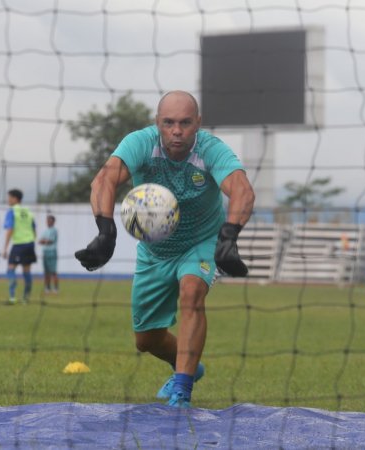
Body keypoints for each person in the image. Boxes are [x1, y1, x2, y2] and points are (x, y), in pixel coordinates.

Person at [75, 91, 255, 408]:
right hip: (155, 251)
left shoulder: (211, 150)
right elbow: (104, 179)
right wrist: (105, 232)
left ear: (197, 123)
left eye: (185, 123)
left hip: (200, 242)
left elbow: (241, 189)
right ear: (158, 122)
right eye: (169, 123)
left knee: (191, 293)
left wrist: (229, 236)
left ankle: (182, 390)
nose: (176, 130)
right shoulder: (141, 143)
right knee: (147, 339)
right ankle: (187, 365)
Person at [2, 189, 37, 304]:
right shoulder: (28, 211)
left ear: (15, 199)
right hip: (30, 244)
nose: (8, 200)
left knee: (11, 268)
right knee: (26, 271)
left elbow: (10, 229)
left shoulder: (12, 211)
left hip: (18, 244)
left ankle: (12, 298)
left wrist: (5, 248)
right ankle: (26, 299)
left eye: (10, 197)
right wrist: (32, 242)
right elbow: (34, 229)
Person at [39, 214, 59, 294]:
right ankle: (47, 288)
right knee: (46, 272)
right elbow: (40, 241)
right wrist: (45, 241)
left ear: (53, 221)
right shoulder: (45, 231)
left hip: (52, 252)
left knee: (53, 271)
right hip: (45, 252)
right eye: (47, 220)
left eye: (49, 220)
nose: (47, 222)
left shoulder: (54, 230)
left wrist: (45, 241)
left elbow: (50, 241)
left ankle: (56, 288)